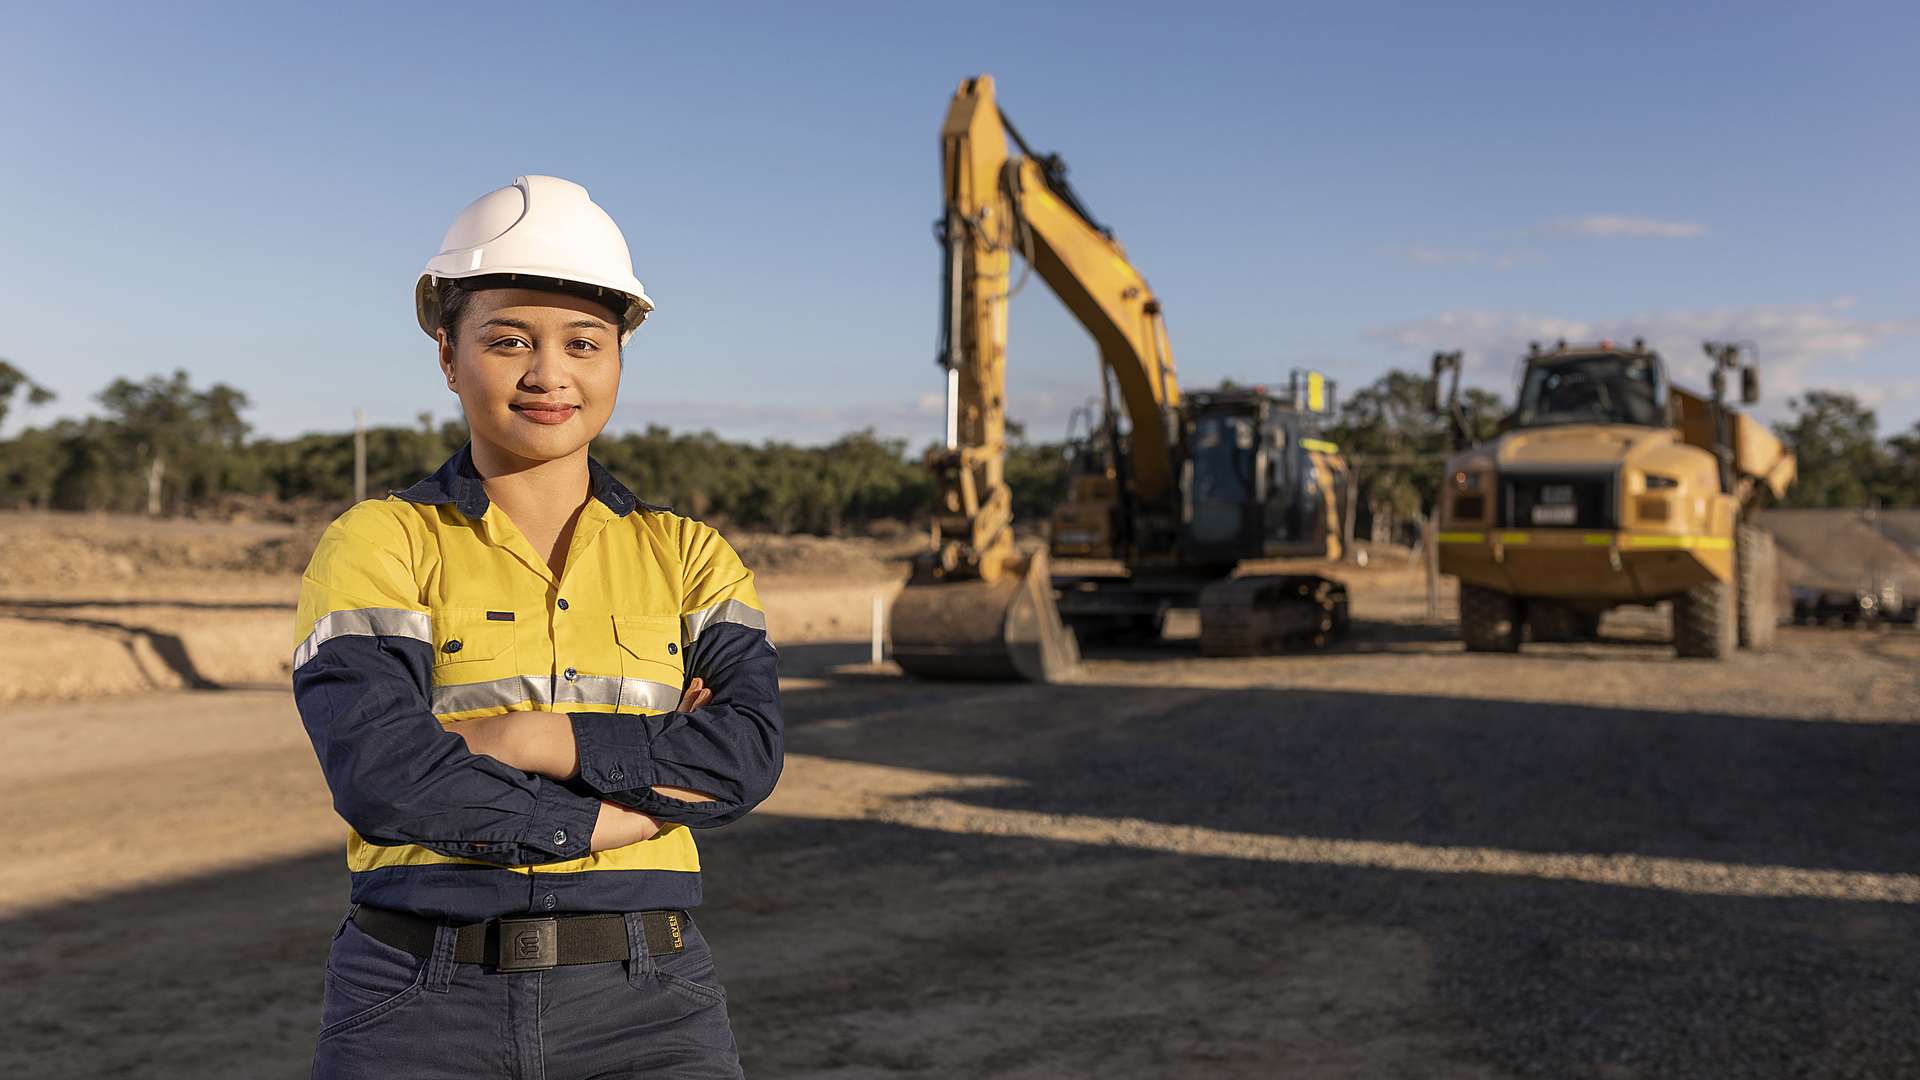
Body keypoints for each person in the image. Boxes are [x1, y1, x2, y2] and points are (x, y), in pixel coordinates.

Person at [291, 175, 782, 1079]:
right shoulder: (379, 542)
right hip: (416, 999)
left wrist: (526, 736)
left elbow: (743, 755)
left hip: (652, 1006)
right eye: (507, 339)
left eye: (583, 343)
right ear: (447, 354)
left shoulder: (691, 557)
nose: (549, 373)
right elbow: (386, 776)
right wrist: (619, 817)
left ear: (620, 357)